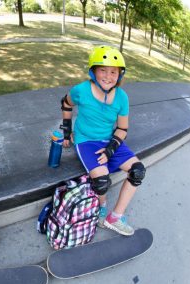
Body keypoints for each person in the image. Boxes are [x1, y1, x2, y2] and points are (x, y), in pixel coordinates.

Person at [60, 45, 146, 236]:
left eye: (113, 72)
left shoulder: (122, 97)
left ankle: (115, 217)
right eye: (103, 70)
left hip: (110, 140)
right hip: (86, 141)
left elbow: (122, 128)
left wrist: (110, 149)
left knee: (138, 171)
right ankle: (103, 207)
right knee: (101, 181)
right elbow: (65, 103)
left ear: (120, 75)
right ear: (93, 71)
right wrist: (67, 132)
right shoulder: (81, 90)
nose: (108, 76)